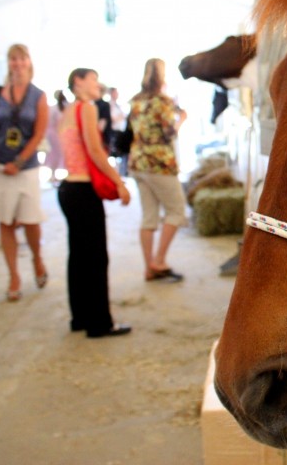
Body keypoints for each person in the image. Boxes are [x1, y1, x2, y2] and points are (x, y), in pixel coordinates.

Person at [58, 68, 132, 338]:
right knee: (95, 258)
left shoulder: (67, 111)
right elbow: (95, 150)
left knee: (77, 256)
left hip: (68, 188)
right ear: (78, 82)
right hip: (83, 189)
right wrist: (119, 181)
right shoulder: (86, 108)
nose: (97, 83)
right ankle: (100, 323)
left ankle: (80, 317)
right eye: (92, 78)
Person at [0, 44, 49, 302]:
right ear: (8, 63)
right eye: (12, 59)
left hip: (24, 168)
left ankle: (37, 259)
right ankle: (13, 276)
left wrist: (19, 161)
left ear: (29, 61)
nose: (17, 63)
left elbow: (39, 132)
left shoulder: (38, 96)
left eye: (21, 59)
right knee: (5, 221)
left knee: (30, 220)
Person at [128, 58, 188, 282]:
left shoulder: (135, 101)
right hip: (159, 164)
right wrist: (182, 119)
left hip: (138, 162)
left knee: (149, 217)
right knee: (176, 212)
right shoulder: (163, 102)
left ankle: (149, 268)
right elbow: (168, 134)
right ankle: (159, 261)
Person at [44, 90, 68, 185]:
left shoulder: (63, 108)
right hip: (55, 134)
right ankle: (53, 175)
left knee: (57, 154)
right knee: (55, 154)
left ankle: (54, 174)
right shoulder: (56, 108)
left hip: (57, 134)